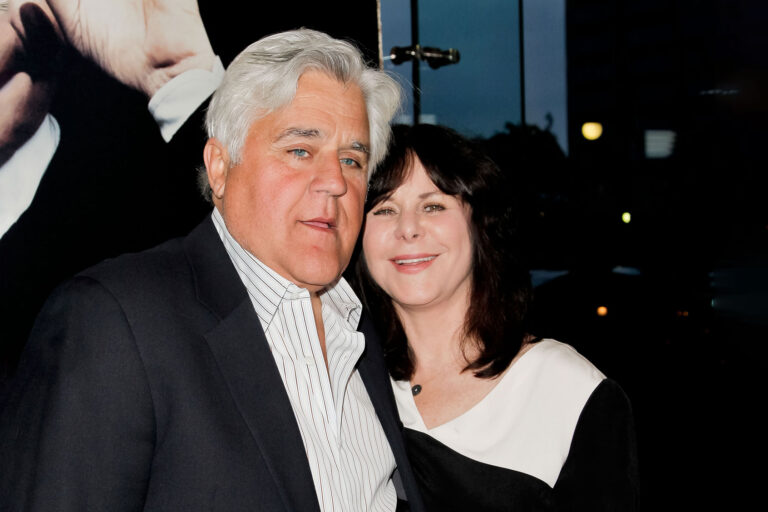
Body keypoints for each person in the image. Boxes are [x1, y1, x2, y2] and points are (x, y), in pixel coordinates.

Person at [0, 29, 425, 512]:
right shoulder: (114, 322)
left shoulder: (360, 330)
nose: (334, 182)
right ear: (220, 167)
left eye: (352, 159)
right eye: (300, 151)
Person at [353, 124, 639, 511]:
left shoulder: (566, 389)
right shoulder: (348, 383)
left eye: (433, 205)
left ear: (479, 225)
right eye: (384, 209)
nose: (408, 229)